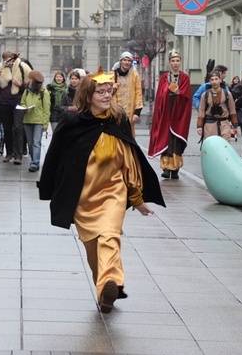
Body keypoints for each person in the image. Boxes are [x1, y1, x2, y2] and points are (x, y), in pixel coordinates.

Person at [38, 69, 165, 313]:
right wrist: (50, 189)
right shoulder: (72, 121)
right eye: (101, 91)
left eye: (110, 91)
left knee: (109, 236)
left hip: (113, 191)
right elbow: (55, 156)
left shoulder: (118, 120)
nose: (107, 95)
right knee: (93, 247)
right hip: (83, 196)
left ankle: (110, 282)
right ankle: (106, 286)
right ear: (87, 95)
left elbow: (130, 161)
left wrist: (136, 198)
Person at [148, 50, 192, 179]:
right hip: (166, 113)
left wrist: (180, 93)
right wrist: (167, 92)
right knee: (166, 138)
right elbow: (160, 96)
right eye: (173, 61)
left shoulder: (185, 78)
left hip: (179, 114)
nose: (175, 63)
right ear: (169, 62)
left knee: (176, 140)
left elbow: (187, 97)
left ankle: (176, 168)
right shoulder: (164, 78)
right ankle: (166, 168)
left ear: (180, 62)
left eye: (177, 60)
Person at [0, 50, 31, 164]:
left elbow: (31, 85)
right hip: (4, 102)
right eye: (5, 60)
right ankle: (9, 153)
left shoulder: (22, 67)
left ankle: (18, 155)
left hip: (18, 102)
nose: (7, 62)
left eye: (9, 60)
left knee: (17, 128)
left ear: (13, 59)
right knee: (7, 129)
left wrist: (20, 85)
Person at [20, 70, 50, 172]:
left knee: (36, 142)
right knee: (30, 143)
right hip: (27, 120)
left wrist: (45, 123)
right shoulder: (26, 90)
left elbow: (47, 109)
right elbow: (22, 101)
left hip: (38, 121)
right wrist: (24, 107)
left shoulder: (44, 92)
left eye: (29, 78)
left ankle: (35, 163)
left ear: (33, 80)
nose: (27, 80)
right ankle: (34, 159)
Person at [196, 73, 238, 142]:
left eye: (216, 79)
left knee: (224, 147)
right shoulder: (205, 95)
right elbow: (201, 111)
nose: (214, 82)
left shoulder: (227, 94)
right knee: (211, 147)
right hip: (209, 126)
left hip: (224, 125)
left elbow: (232, 110)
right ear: (210, 81)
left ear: (220, 80)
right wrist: (199, 126)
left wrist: (235, 125)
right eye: (212, 80)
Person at [112, 51, 144, 135]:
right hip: (115, 112)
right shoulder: (112, 75)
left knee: (128, 135)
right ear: (121, 61)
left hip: (130, 112)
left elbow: (138, 93)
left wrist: (137, 112)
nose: (126, 62)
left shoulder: (135, 75)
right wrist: (112, 88)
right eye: (124, 60)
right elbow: (105, 93)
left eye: (129, 60)